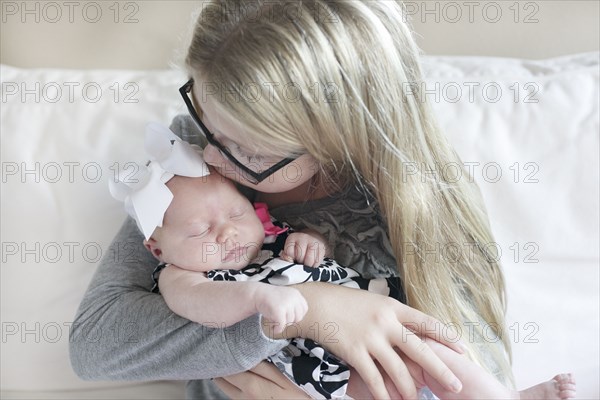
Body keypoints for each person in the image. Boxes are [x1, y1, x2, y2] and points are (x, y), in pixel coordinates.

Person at [69, 1, 571, 398]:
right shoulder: (193, 160)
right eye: (203, 113)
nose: (216, 161)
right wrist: (311, 308)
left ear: (337, 137)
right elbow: (95, 346)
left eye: (249, 149)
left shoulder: (417, 196)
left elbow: (463, 371)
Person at [113, 125, 575, 400]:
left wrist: (309, 244)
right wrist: (263, 299)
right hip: (317, 372)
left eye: (235, 215)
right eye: (198, 232)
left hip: (373, 337)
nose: (226, 233)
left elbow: (310, 253)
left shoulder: (270, 236)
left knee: (434, 357)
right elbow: (203, 305)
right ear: (158, 249)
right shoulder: (180, 274)